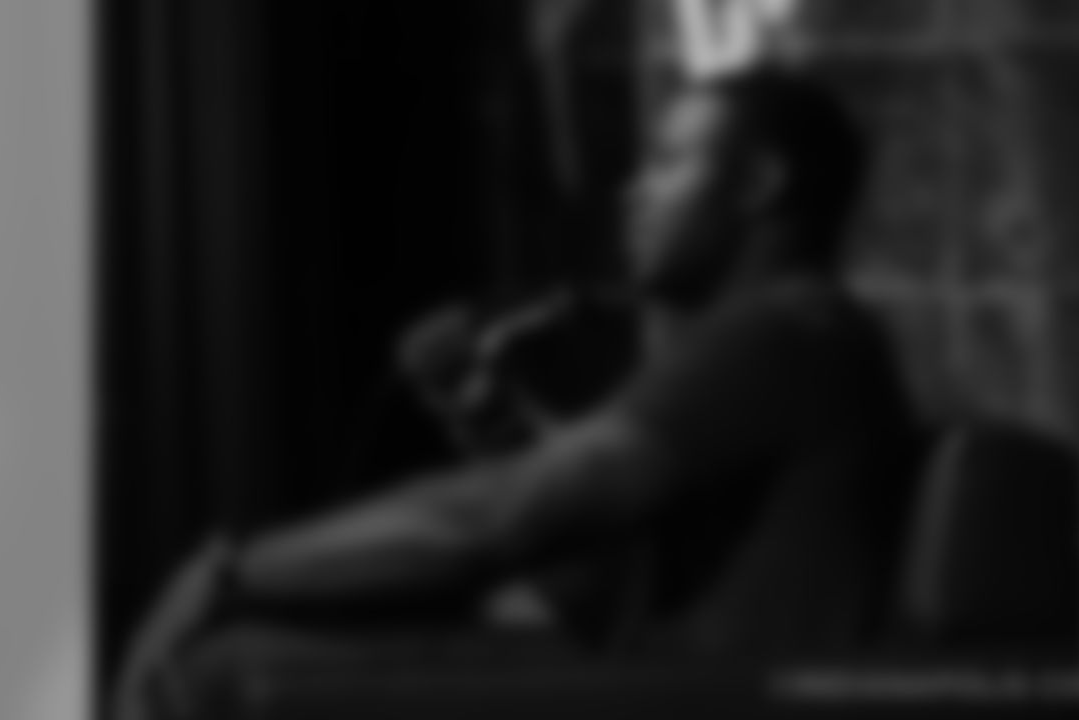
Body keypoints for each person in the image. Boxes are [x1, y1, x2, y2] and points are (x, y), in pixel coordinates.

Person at [113, 66, 926, 719]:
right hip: (669, 682)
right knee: (259, 647)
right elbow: (592, 584)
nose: (634, 191)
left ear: (756, 184)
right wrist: (489, 414)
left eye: (668, 161)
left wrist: (229, 570)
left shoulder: (783, 334)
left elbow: (499, 521)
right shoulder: (798, 334)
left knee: (219, 666)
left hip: (699, 697)